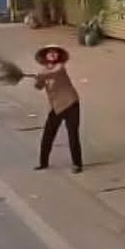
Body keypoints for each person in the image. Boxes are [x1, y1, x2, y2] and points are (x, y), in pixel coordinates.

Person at [32, 44, 83, 173]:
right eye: (50, 52)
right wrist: (38, 79)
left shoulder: (60, 67)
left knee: (73, 135)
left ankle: (77, 164)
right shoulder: (44, 70)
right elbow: (38, 86)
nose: (53, 54)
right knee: (48, 135)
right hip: (56, 107)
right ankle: (43, 163)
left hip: (70, 104)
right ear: (45, 56)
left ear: (59, 56)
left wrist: (41, 75)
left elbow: (53, 73)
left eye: (55, 52)